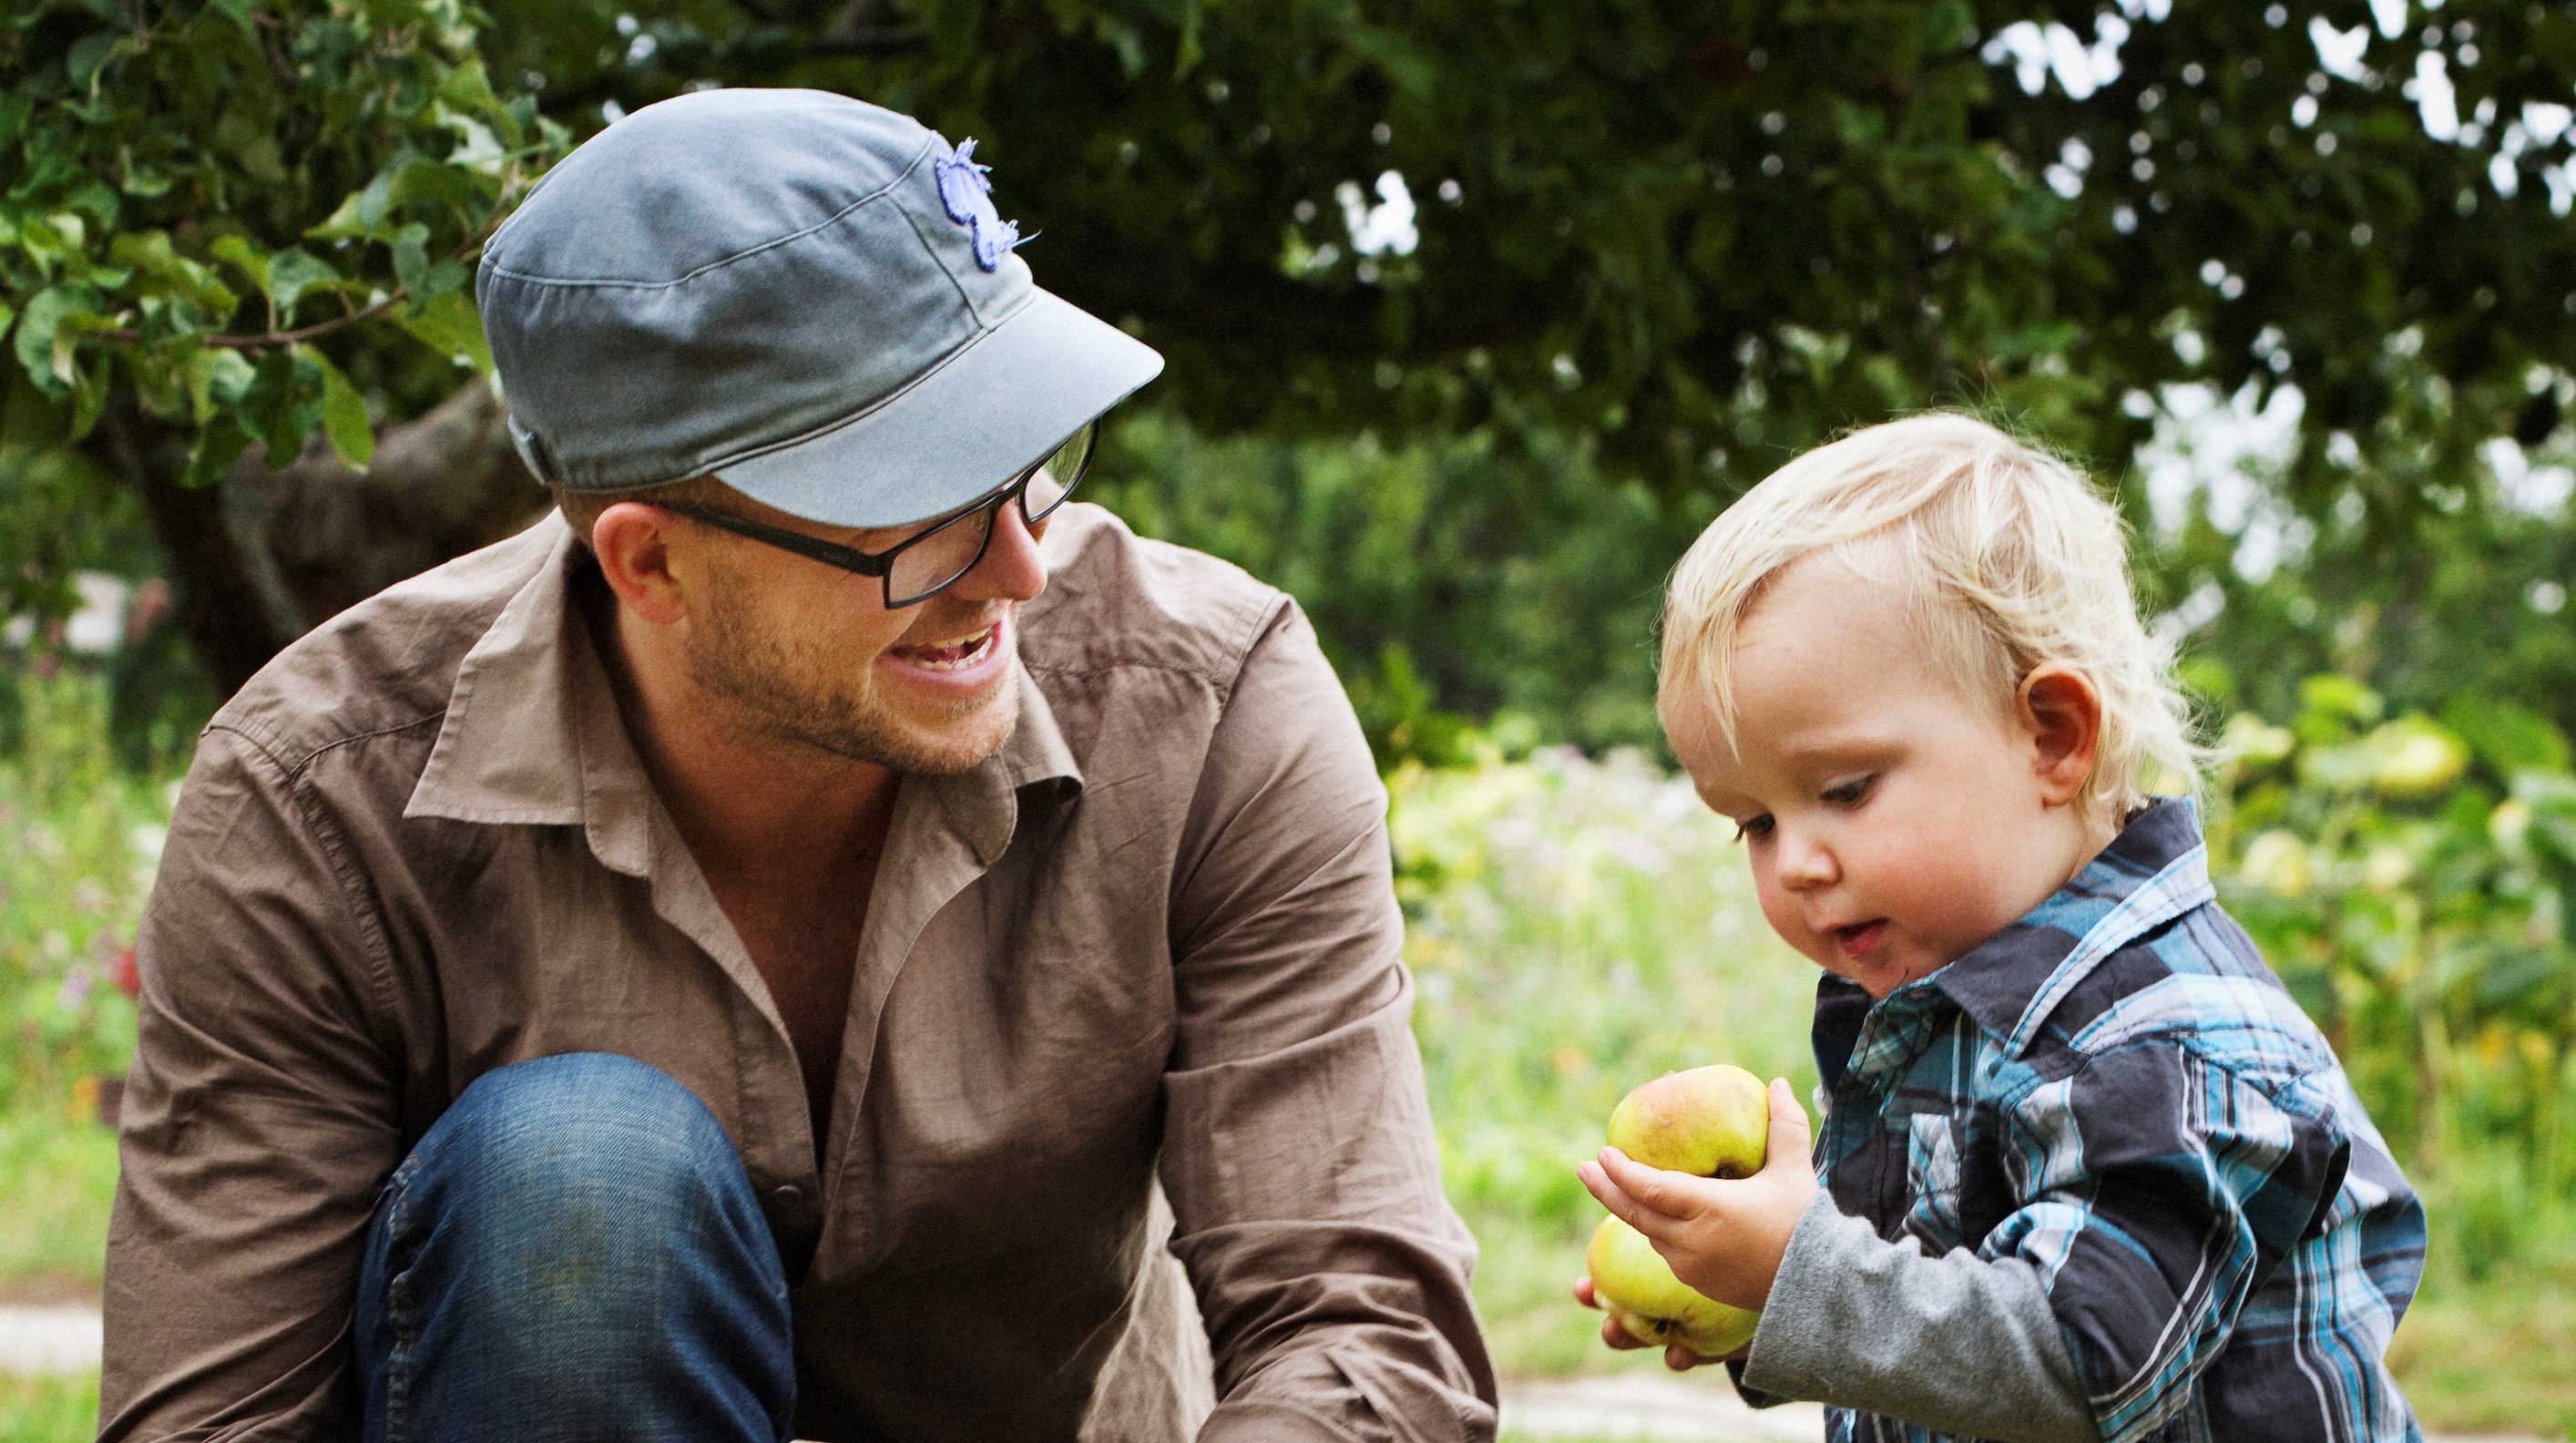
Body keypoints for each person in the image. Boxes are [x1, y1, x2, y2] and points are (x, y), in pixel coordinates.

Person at [100, 88, 1495, 1443]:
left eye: (1025, 459)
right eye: (918, 513)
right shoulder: (316, 801)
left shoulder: (1211, 699)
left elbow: (1364, 1333)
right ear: (651, 562)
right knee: (581, 1175)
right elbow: (213, 1420)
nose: (1018, 566)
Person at [1574, 414, 2426, 1442]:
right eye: (1753, 822)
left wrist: (1801, 1270)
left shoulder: (2167, 1043)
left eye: (1842, 790)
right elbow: (1932, 1313)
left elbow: (2081, 1363)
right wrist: (1757, 1294)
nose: (1793, 860)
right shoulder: (1944, 1011)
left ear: (2052, 738)